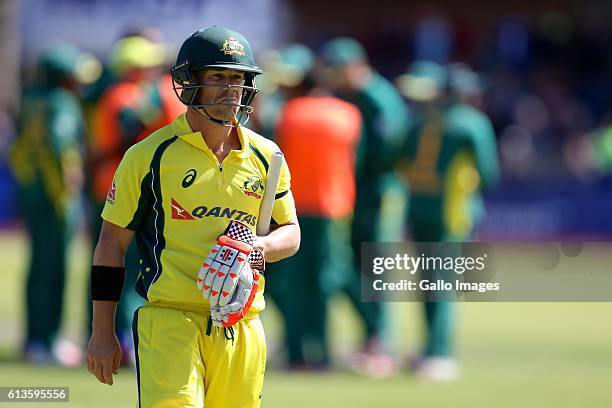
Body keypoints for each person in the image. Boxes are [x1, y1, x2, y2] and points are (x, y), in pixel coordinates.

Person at [85, 26, 300, 407]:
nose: (231, 88)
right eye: (218, 76)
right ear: (189, 81)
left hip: (242, 324)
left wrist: (259, 247)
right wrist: (102, 332)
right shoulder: (148, 155)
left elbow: (291, 233)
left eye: (238, 78)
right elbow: (111, 242)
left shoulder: (268, 156)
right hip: (169, 320)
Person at [395, 61, 500, 381]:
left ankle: (430, 350)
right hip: (451, 215)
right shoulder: (472, 124)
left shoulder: (419, 122)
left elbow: (399, 161)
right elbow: (489, 174)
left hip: (419, 210)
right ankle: (439, 354)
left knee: (428, 284)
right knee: (441, 284)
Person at [86, 33, 185, 364]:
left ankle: (123, 339)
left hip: (115, 188)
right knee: (131, 271)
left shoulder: (121, 93)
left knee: (117, 266)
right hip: (132, 192)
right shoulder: (130, 95)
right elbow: (128, 139)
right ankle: (128, 342)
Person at [319, 37, 409, 377]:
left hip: (379, 193)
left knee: (376, 268)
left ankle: (379, 345)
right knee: (356, 265)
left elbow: (388, 150)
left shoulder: (377, 98)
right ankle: (369, 340)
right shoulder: (348, 96)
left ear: (356, 66)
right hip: (355, 193)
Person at [272, 43, 361, 369]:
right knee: (323, 284)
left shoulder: (288, 114)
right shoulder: (348, 114)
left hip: (292, 210)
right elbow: (357, 162)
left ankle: (296, 353)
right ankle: (321, 354)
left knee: (295, 284)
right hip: (334, 210)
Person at [9, 44, 87, 365]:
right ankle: (48, 340)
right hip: (55, 197)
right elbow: (60, 142)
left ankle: (33, 338)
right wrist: (71, 177)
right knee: (54, 269)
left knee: (37, 268)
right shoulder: (62, 102)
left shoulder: (30, 100)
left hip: (31, 192)